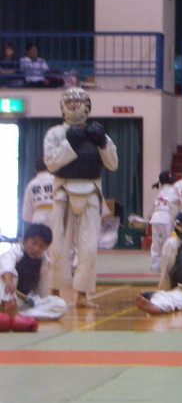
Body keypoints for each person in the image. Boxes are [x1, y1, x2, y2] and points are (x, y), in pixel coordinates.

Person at [43, 88, 118, 308]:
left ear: (87, 105)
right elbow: (51, 163)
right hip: (63, 192)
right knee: (58, 246)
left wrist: (102, 142)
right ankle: (55, 289)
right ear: (62, 106)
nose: (75, 106)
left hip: (91, 192)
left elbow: (112, 164)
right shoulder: (55, 133)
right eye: (70, 101)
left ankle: (83, 294)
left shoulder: (96, 133)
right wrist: (70, 144)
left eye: (79, 101)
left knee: (88, 248)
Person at [0, 223, 67, 326]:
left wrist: (38, 302)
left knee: (60, 305)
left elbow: (42, 294)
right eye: (34, 243)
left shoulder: (44, 262)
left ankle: (17, 315)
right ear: (25, 241)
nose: (36, 249)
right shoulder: (15, 252)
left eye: (42, 246)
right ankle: (6, 308)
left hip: (22, 303)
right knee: (8, 275)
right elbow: (6, 263)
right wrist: (8, 280)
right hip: (5, 296)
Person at [149, 170, 179, 273]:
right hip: (167, 218)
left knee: (156, 245)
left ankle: (155, 267)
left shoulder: (161, 191)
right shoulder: (174, 190)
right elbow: (174, 207)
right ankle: (168, 268)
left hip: (156, 218)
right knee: (169, 244)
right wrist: (174, 219)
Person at [21, 157, 55, 228]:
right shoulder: (55, 181)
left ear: (35, 170)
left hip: (38, 218)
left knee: (40, 238)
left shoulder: (31, 184)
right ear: (49, 167)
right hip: (55, 216)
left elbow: (27, 212)